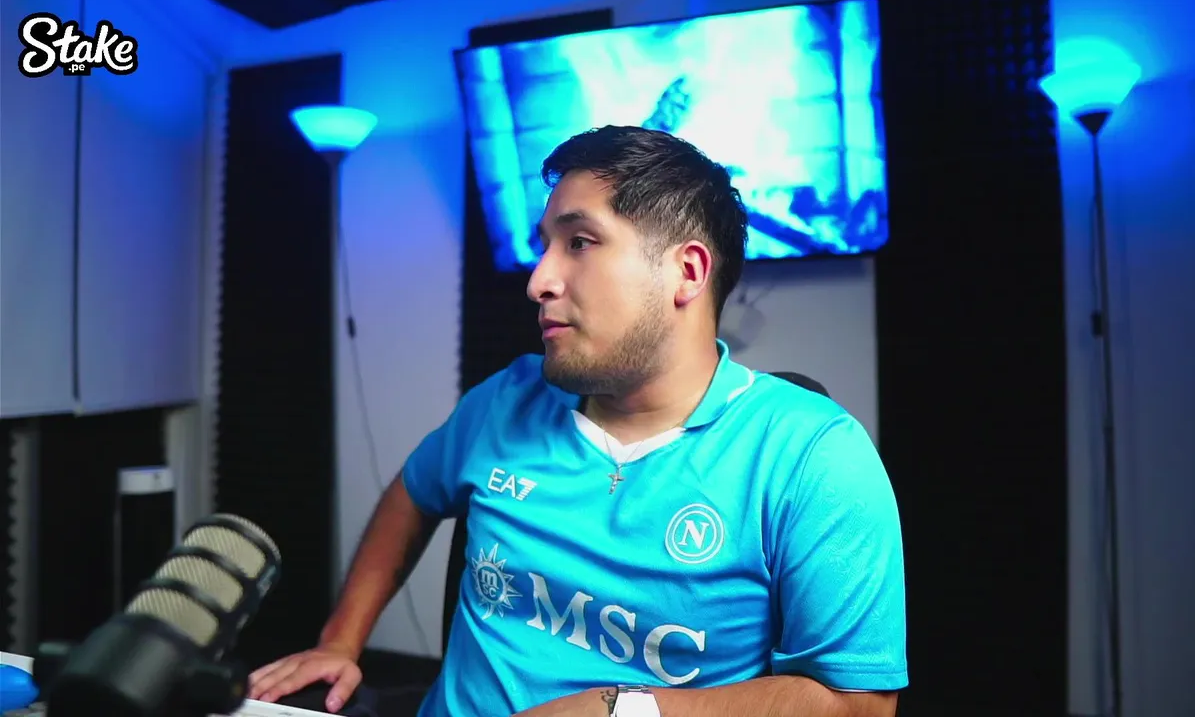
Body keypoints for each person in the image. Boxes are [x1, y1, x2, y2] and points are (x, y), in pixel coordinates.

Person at [247, 125, 908, 717]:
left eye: (580, 242)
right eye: (545, 246)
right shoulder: (505, 399)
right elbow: (411, 496)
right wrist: (340, 641)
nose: (538, 280)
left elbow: (859, 704)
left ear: (686, 271)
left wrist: (621, 710)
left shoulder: (814, 455)